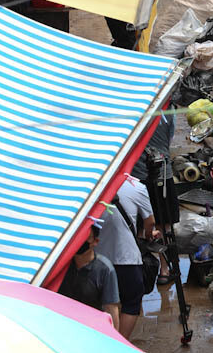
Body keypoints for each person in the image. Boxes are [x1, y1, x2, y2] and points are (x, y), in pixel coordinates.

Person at [96, 177, 158, 339]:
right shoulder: (136, 188)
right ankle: (121, 343)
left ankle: (105, 340)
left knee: (104, 303)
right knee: (131, 301)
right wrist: (149, 235)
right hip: (126, 257)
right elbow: (150, 222)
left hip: (95, 257)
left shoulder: (89, 186)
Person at [131, 111, 178, 286]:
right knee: (161, 224)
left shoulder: (137, 110)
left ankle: (147, 269)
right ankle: (162, 270)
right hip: (155, 174)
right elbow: (169, 138)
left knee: (144, 225)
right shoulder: (168, 112)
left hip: (143, 174)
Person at [59, 226, 120, 330]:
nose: (80, 242)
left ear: (95, 241)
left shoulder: (105, 269)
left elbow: (111, 308)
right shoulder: (60, 264)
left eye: (85, 237)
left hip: (91, 328)